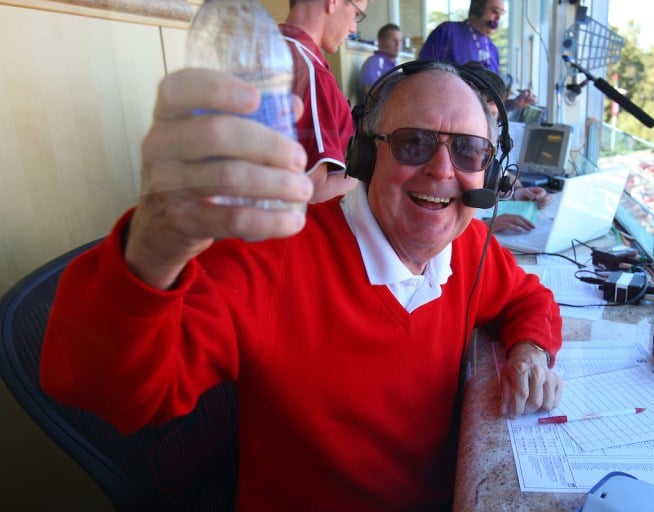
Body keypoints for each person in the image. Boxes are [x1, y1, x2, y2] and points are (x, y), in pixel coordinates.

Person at [40, 61, 563, 511]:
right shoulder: (268, 257)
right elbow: (105, 389)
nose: (442, 170)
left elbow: (527, 297)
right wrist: (153, 247)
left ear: (489, 171)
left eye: (469, 151)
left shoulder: (465, 245)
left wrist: (531, 350)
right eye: (414, 143)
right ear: (364, 155)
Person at [281, 0, 369, 203]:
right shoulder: (311, 73)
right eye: (356, 14)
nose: (353, 28)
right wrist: (368, 177)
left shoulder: (264, 47)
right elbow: (312, 189)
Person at [462, 62, 551, 232]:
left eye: (492, 116)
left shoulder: (481, 152)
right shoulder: (443, 161)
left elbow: (499, 173)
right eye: (479, 114)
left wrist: (518, 192)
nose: (486, 125)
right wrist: (485, 227)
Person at [418, 0, 504, 73]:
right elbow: (421, 71)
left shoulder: (493, 49)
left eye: (501, 13)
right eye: (495, 11)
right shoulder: (447, 32)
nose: (498, 18)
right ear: (478, 7)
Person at [358, 23, 402, 101]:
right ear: (381, 42)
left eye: (399, 40)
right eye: (394, 40)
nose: (398, 44)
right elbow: (370, 96)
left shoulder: (390, 64)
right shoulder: (374, 62)